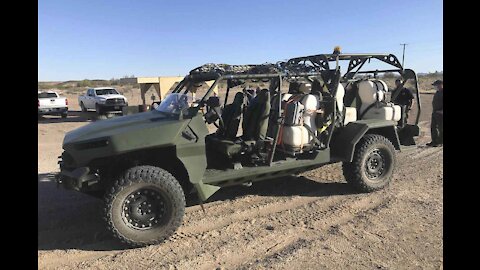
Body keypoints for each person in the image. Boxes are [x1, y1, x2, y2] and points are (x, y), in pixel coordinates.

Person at [427, 80, 443, 147]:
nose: (435, 87)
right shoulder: (437, 92)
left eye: (435, 85)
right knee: (433, 127)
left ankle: (440, 142)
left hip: (441, 113)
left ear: (441, 85)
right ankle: (434, 141)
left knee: (441, 128)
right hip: (435, 112)